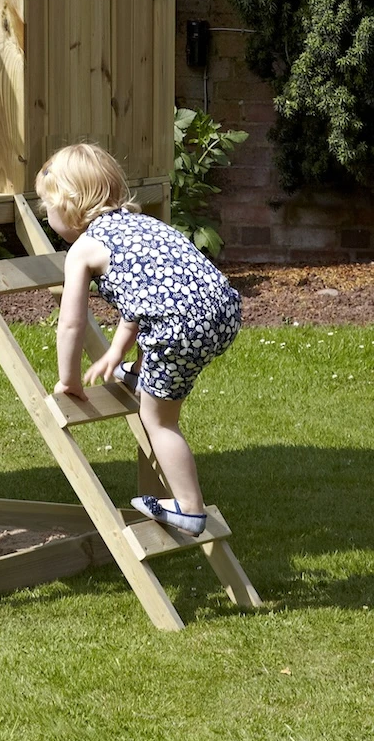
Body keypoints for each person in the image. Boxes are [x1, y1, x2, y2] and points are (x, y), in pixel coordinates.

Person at [35, 143, 241, 536]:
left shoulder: (83, 249)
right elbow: (146, 296)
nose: (48, 217)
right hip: (223, 309)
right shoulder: (143, 225)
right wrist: (116, 351)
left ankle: (188, 508)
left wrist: (69, 379)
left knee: (158, 420)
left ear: (70, 204)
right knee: (164, 332)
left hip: (180, 327)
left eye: (49, 208)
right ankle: (141, 373)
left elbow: (72, 323)